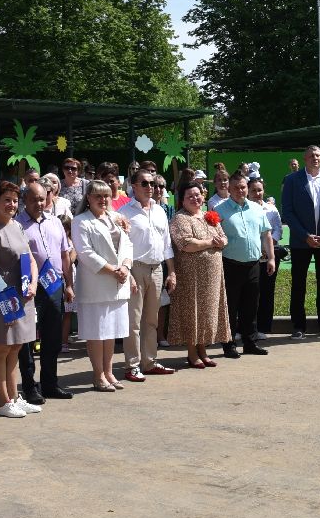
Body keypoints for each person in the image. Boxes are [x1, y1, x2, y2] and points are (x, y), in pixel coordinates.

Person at [0, 181, 41, 418]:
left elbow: (31, 259)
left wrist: (33, 284)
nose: (11, 205)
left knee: (16, 346)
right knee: (2, 348)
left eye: (15, 201)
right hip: (3, 296)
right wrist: (7, 301)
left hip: (24, 294)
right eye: (6, 200)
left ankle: (14, 397)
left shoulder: (17, 226)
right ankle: (4, 401)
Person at [71, 180, 134, 392]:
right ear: (88, 198)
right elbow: (86, 253)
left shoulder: (116, 219)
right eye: (98, 196)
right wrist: (113, 271)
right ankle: (98, 375)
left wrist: (125, 266)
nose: (103, 200)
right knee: (97, 333)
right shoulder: (80, 221)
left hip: (118, 284)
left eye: (106, 196)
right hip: (96, 285)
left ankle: (108, 372)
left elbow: (128, 245)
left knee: (111, 332)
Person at [15, 181, 74, 401]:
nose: (39, 203)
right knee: (28, 339)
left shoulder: (55, 223)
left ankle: (50, 383)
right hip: (29, 287)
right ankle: (30, 387)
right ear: (25, 201)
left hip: (54, 285)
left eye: (42, 198)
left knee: (52, 337)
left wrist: (69, 284)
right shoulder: (17, 224)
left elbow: (65, 254)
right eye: (33, 199)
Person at [278, 144, 320, 338]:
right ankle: (298, 326)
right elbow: (287, 211)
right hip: (301, 242)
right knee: (298, 283)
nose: (315, 158)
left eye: (318, 155)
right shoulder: (292, 180)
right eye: (311, 155)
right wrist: (305, 235)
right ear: (304, 158)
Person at [169, 174, 230, 369]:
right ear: (182, 199)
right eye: (190, 196)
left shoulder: (208, 216)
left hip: (212, 276)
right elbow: (186, 244)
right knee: (192, 311)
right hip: (191, 275)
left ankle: (203, 350)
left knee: (206, 311)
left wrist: (222, 242)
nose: (195, 199)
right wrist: (211, 243)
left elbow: (223, 237)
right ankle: (192, 352)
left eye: (197, 195)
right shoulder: (180, 218)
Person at [214, 171, 275, 358]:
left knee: (251, 305)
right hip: (230, 265)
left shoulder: (257, 209)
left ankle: (250, 342)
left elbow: (266, 234)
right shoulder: (220, 210)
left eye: (243, 187)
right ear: (229, 189)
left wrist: (271, 258)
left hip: (253, 264)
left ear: (247, 188)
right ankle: (229, 344)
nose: (240, 190)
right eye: (236, 188)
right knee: (230, 306)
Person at [123, 168, 176, 380]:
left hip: (157, 269)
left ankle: (149, 361)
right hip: (135, 268)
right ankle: (132, 365)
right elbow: (122, 246)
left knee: (152, 320)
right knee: (133, 321)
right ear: (133, 186)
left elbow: (167, 245)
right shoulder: (125, 212)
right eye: (144, 183)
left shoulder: (160, 211)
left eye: (152, 184)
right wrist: (128, 273)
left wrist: (171, 271)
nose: (150, 188)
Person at [252, 176, 281, 335]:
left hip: (269, 256)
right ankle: (248, 327)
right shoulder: (245, 208)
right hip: (251, 257)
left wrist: (269, 247)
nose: (257, 193)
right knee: (251, 294)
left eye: (259, 190)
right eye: (254, 190)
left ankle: (264, 327)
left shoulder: (271, 208)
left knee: (267, 293)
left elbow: (278, 229)